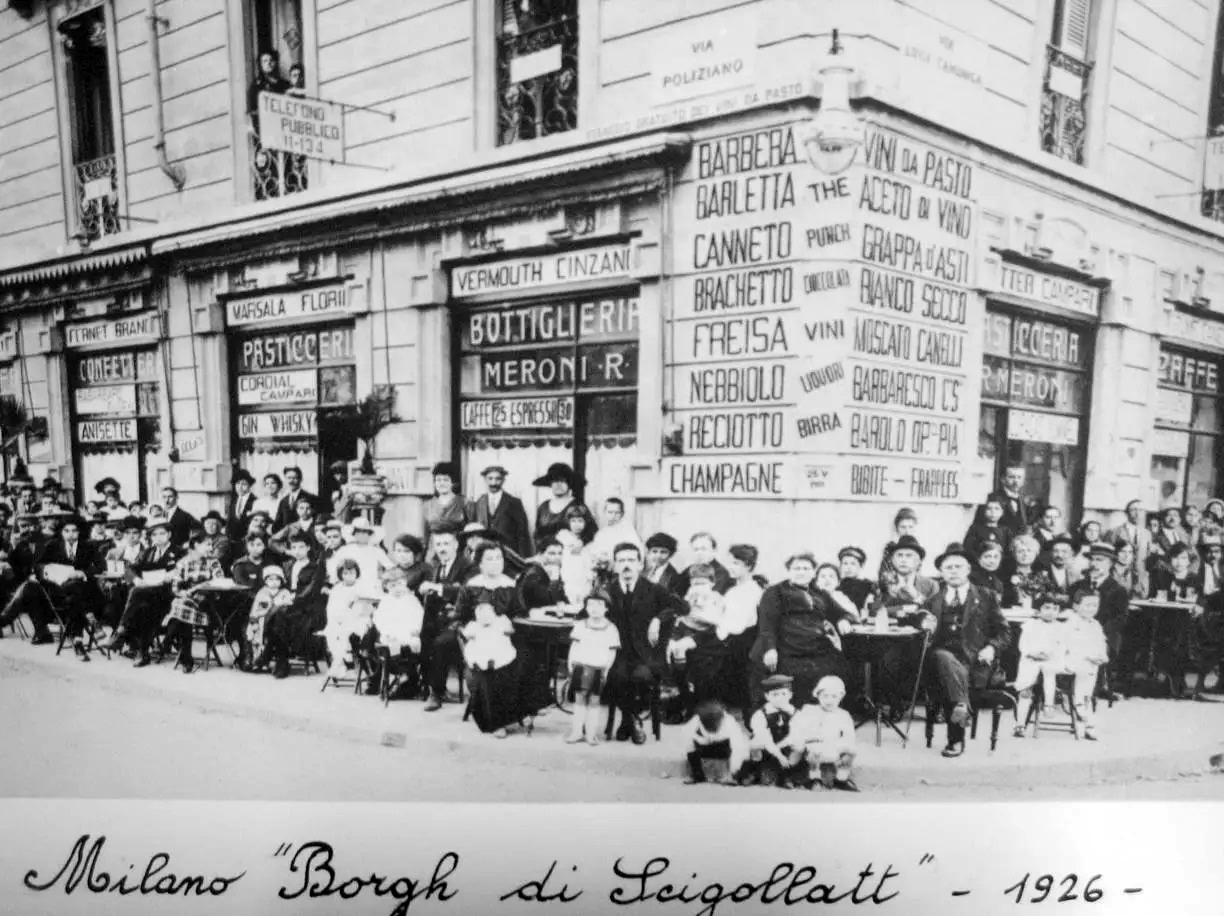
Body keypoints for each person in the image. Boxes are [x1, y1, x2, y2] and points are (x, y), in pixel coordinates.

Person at [917, 543, 1011, 758]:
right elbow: (923, 640)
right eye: (948, 568)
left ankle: (960, 714)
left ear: (968, 570)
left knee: (953, 674)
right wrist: (925, 630)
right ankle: (959, 723)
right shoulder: (932, 602)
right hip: (941, 660)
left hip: (977, 660)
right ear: (941, 573)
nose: (954, 571)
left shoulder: (987, 596)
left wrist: (991, 648)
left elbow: (1005, 633)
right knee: (943, 658)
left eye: (959, 567)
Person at [749, 552, 854, 713]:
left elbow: (842, 613)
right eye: (796, 568)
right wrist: (770, 648)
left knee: (841, 666)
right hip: (787, 648)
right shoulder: (775, 592)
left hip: (816, 649)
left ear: (813, 573)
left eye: (806, 568)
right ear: (789, 571)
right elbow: (767, 624)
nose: (801, 572)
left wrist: (843, 620)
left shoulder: (820, 593)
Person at [606, 542, 682, 744]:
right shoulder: (608, 590)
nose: (626, 565)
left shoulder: (654, 590)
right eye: (621, 561)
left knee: (641, 676)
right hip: (617, 652)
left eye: (631, 560)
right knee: (617, 677)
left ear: (641, 564)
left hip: (645, 654)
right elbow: (587, 611)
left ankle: (627, 721)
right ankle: (631, 720)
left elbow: (676, 607)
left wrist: (658, 619)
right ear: (614, 565)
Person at [107, 520, 181, 666]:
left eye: (162, 534)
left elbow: (182, 569)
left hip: (167, 595)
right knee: (143, 606)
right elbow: (129, 569)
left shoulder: (178, 552)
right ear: (150, 537)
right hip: (146, 595)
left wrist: (172, 575)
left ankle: (121, 631)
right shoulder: (147, 552)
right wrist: (135, 579)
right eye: (154, 534)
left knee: (137, 594)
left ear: (169, 535)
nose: (158, 537)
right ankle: (142, 652)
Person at [418, 524, 474, 710]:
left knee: (441, 643)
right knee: (423, 635)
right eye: (438, 544)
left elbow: (468, 590)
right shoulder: (436, 566)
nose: (442, 548)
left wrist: (437, 588)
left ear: (456, 545)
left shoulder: (467, 566)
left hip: (460, 621)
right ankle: (423, 685)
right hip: (439, 620)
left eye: (446, 544)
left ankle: (436, 693)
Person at [38, 514, 106, 661]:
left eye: (74, 531)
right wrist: (51, 572)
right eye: (66, 531)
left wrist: (83, 573)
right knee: (74, 592)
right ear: (61, 532)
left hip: (84, 593)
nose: (70, 534)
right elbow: (39, 566)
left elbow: (102, 566)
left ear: (80, 532)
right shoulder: (53, 545)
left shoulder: (88, 546)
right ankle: (90, 618)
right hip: (60, 591)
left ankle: (78, 641)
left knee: (75, 596)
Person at [262, 531, 326, 679]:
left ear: (308, 548)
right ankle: (279, 658)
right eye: (294, 547)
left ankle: (276, 657)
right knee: (276, 613)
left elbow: (311, 591)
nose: (297, 551)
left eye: (301, 547)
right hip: (286, 603)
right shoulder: (287, 565)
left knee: (279, 615)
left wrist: (293, 600)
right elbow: (280, 585)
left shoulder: (315, 567)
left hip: (306, 608)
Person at [1068, 543, 1130, 697]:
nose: (1094, 564)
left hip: (1105, 633)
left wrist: (1098, 630)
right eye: (1092, 560)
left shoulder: (1117, 589)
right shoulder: (1078, 586)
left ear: (1110, 564)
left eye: (1100, 560)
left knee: (1096, 645)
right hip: (1076, 630)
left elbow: (1121, 617)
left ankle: (1096, 686)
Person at [667, 564, 725, 722]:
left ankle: (694, 702)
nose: (698, 587)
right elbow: (680, 617)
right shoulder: (689, 595)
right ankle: (681, 689)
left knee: (699, 671)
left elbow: (718, 622)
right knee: (674, 652)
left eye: (702, 584)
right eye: (694, 584)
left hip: (706, 636)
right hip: (686, 630)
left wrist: (701, 611)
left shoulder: (716, 598)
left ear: (712, 583)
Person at [162, 531, 225, 673]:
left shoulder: (213, 562)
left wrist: (196, 589)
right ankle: (186, 657)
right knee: (182, 604)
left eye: (211, 544)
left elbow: (218, 582)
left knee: (181, 606)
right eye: (207, 544)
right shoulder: (184, 562)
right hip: (187, 601)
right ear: (196, 545)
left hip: (206, 602)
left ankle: (170, 639)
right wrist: (182, 592)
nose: (210, 548)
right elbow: (175, 586)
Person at [462, 600, 526, 739]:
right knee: (488, 681)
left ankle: (507, 718)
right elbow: (467, 635)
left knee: (510, 678)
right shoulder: (474, 626)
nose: (484, 617)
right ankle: (495, 724)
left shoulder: (501, 621)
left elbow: (510, 631)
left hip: (503, 661)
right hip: (480, 665)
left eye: (487, 613)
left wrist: (501, 629)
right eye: (480, 614)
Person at [565, 590, 621, 745]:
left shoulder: (611, 629)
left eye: (599, 605)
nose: (594, 608)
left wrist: (607, 668)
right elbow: (574, 645)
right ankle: (577, 731)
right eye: (590, 604)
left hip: (599, 668)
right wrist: (571, 662)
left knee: (594, 700)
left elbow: (612, 651)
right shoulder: (581, 626)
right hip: (581, 667)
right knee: (579, 699)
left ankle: (591, 733)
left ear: (606, 608)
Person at [1145, 542, 1200, 698]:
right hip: (1165, 617)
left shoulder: (1193, 578)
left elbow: (1196, 598)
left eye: (1183, 558)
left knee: (1181, 646)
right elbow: (1155, 595)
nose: (1179, 562)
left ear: (1189, 561)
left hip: (1186, 619)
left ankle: (1178, 680)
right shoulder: (1162, 576)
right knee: (1164, 644)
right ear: (1170, 559)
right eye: (1175, 558)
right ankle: (1164, 680)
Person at [364, 566, 425, 696]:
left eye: (399, 584)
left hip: (408, 632)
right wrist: (385, 631)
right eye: (392, 586)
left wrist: (417, 628)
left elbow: (419, 615)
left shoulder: (411, 600)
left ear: (405, 583)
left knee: (414, 644)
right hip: (391, 633)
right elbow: (379, 619)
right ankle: (401, 673)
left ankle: (409, 674)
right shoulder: (386, 601)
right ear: (386, 588)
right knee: (391, 645)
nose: (397, 588)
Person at [792, 675, 858, 791]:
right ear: (818, 696)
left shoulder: (843, 715)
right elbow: (803, 731)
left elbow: (849, 735)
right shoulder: (811, 711)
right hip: (816, 745)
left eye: (834, 696)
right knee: (815, 750)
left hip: (834, 745)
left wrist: (843, 747)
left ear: (840, 697)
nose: (829, 700)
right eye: (825, 696)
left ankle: (841, 778)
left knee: (852, 751)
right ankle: (814, 778)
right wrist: (809, 742)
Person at [1009, 594, 1069, 719]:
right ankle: (1020, 722)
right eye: (1047, 608)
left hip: (1051, 660)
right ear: (1038, 610)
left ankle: (1049, 703)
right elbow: (1023, 645)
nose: (1051, 612)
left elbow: (1062, 647)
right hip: (1032, 659)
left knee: (1049, 671)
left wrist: (1050, 654)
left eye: (1055, 609)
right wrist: (1032, 654)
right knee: (1026, 684)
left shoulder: (1060, 627)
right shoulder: (1031, 625)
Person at [742, 674, 805, 788]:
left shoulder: (796, 713)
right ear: (767, 696)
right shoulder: (760, 714)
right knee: (755, 744)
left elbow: (795, 735)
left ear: (790, 695)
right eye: (775, 694)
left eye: (783, 694)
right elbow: (764, 738)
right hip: (768, 749)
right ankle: (755, 770)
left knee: (799, 744)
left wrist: (781, 749)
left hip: (786, 748)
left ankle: (788, 775)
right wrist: (778, 755)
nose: (780, 698)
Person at [1064, 591, 1108, 739]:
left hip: (1091, 663)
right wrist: (1089, 656)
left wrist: (1102, 655)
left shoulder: (1095, 624)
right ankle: (1081, 708)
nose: (1091, 609)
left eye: (1095, 605)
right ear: (1076, 606)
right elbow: (1071, 645)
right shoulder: (1072, 623)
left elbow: (1101, 642)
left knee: (1089, 686)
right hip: (1073, 661)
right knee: (1083, 676)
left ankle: (1084, 707)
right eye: (1087, 605)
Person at [467, 465, 532, 559]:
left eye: (498, 479)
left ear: (503, 480)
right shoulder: (478, 503)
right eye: (490, 479)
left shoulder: (514, 502)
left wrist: (522, 560)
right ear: (485, 480)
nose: (494, 483)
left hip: (509, 556)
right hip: (484, 556)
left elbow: (522, 535)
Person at [681, 699, 748, 786]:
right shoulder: (697, 719)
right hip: (704, 746)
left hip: (723, 748)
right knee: (690, 745)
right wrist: (699, 739)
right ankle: (697, 775)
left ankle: (728, 776)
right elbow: (686, 734)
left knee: (732, 746)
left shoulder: (729, 722)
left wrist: (733, 771)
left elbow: (737, 748)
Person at [320, 558, 367, 679]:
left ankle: (344, 664)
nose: (348, 576)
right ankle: (342, 663)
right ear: (340, 574)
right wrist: (337, 618)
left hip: (358, 620)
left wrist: (354, 605)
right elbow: (331, 608)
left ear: (357, 573)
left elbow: (366, 608)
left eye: (352, 573)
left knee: (347, 632)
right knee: (332, 633)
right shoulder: (337, 589)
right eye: (345, 573)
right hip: (339, 619)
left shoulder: (362, 587)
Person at [246, 566, 293, 671]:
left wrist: (283, 604)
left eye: (277, 579)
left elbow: (289, 605)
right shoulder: (262, 593)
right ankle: (259, 660)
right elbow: (255, 609)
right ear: (266, 581)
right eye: (270, 579)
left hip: (277, 623)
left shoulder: (284, 593)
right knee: (257, 638)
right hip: (262, 621)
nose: (274, 582)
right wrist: (254, 620)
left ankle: (266, 659)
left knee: (276, 632)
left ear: (281, 581)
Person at [532, 462, 590, 545]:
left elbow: (589, 534)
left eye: (562, 481)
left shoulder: (577, 505)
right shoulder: (543, 507)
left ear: (569, 484)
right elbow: (537, 534)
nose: (558, 485)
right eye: (555, 481)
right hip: (547, 554)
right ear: (550, 484)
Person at [332, 517, 391, 594]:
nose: (362, 534)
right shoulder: (345, 550)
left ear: (369, 534)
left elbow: (390, 567)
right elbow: (334, 568)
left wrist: (383, 580)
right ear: (354, 533)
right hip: (350, 586)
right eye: (358, 531)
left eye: (365, 532)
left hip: (371, 587)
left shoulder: (377, 551)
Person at [424, 461, 468, 551]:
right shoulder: (427, 505)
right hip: (433, 552)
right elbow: (425, 536)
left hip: (456, 550)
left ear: (453, 482)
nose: (441, 483)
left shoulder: (464, 503)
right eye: (438, 480)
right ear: (434, 483)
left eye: (445, 480)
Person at [517, 537, 569, 610]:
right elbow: (547, 601)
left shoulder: (553, 569)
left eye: (560, 553)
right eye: (552, 553)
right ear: (540, 554)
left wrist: (566, 604)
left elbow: (562, 598)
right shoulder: (533, 573)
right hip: (530, 617)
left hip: (545, 615)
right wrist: (554, 580)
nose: (558, 557)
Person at [1002, 534, 1054, 609]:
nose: (1025, 554)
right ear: (1013, 554)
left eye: (1029, 551)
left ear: (1036, 553)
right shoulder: (1006, 576)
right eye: (1020, 551)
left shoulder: (1043, 575)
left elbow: (1049, 599)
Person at [674, 532, 733, 596]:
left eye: (703, 549)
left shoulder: (721, 573)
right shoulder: (689, 570)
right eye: (696, 549)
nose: (699, 553)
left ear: (714, 550)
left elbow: (711, 597)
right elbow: (676, 591)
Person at [586, 497, 642, 562]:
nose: (613, 516)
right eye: (610, 512)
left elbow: (636, 552)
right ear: (604, 512)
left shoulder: (628, 531)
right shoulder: (601, 534)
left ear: (622, 514)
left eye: (617, 513)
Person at [964, 496, 1012, 562]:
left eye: (997, 509)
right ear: (984, 510)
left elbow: (1009, 551)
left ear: (1002, 512)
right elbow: (968, 548)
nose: (993, 512)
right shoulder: (975, 528)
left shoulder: (1006, 531)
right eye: (989, 508)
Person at [990, 464, 1033, 534]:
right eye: (1012, 477)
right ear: (1003, 479)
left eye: (1019, 477)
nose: (1016, 481)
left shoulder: (1024, 501)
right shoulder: (994, 498)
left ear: (1023, 481)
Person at [274, 466, 317, 534]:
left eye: (294, 478)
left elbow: (316, 521)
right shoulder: (283, 501)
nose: (291, 481)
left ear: (300, 479)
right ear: (285, 479)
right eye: (289, 478)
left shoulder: (311, 498)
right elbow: (278, 524)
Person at [836, 547, 876, 613]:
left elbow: (875, 606)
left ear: (861, 566)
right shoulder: (837, 587)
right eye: (845, 563)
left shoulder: (868, 586)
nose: (848, 567)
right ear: (840, 566)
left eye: (853, 564)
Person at [226, 469, 258, 541]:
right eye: (237, 483)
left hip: (248, 539)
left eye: (244, 484)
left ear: (250, 485)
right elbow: (230, 521)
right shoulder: (233, 501)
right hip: (233, 540)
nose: (240, 487)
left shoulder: (255, 501)